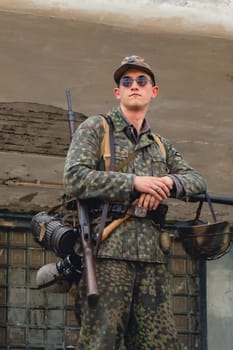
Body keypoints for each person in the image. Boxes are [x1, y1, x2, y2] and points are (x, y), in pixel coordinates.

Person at [63, 55, 207, 350]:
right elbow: (74, 178)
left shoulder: (159, 144)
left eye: (142, 81)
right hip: (107, 253)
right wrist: (134, 183)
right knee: (100, 342)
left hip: (152, 259)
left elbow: (197, 181)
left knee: (161, 344)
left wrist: (168, 183)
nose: (134, 86)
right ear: (118, 92)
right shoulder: (97, 129)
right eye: (126, 81)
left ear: (153, 91)